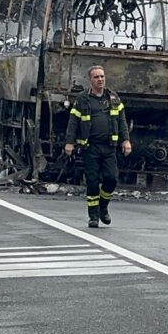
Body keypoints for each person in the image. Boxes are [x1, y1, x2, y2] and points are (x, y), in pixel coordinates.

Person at [64, 65, 132, 228]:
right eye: (96, 77)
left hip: (109, 147)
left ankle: (103, 206)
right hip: (90, 147)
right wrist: (69, 142)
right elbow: (73, 122)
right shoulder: (82, 99)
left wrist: (126, 140)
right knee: (92, 181)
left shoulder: (113, 98)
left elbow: (122, 121)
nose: (100, 79)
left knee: (111, 179)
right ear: (90, 80)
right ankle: (93, 216)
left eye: (102, 76)